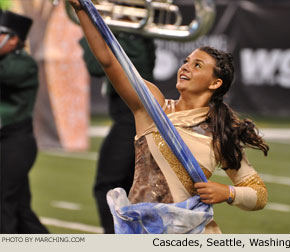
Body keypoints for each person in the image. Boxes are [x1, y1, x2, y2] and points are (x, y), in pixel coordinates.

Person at [69, 0, 269, 234]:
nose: (185, 67)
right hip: (140, 231)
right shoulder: (153, 107)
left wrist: (228, 193)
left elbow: (258, 193)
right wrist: (81, 9)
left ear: (216, 83)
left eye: (197, 65)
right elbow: (108, 60)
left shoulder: (221, 130)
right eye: (186, 62)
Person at [79, 33, 156, 233]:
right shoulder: (140, 37)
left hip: (131, 119)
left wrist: (90, 35)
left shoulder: (130, 39)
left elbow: (96, 66)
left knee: (107, 184)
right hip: (132, 118)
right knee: (128, 186)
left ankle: (115, 237)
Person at [0, 10, 49, 233]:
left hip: (16, 141)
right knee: (21, 210)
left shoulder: (24, 63)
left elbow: (6, 74)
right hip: (5, 141)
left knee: (4, 203)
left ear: (15, 39)